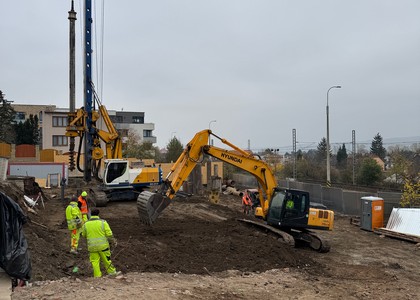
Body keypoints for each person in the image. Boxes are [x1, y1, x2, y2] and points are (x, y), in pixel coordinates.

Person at [81, 208, 119, 277]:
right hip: (103, 247)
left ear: (91, 214)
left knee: (95, 262)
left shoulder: (86, 224)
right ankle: (112, 273)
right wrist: (113, 241)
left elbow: (83, 235)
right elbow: (109, 234)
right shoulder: (103, 222)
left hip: (92, 247)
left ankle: (97, 277)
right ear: (98, 214)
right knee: (107, 260)